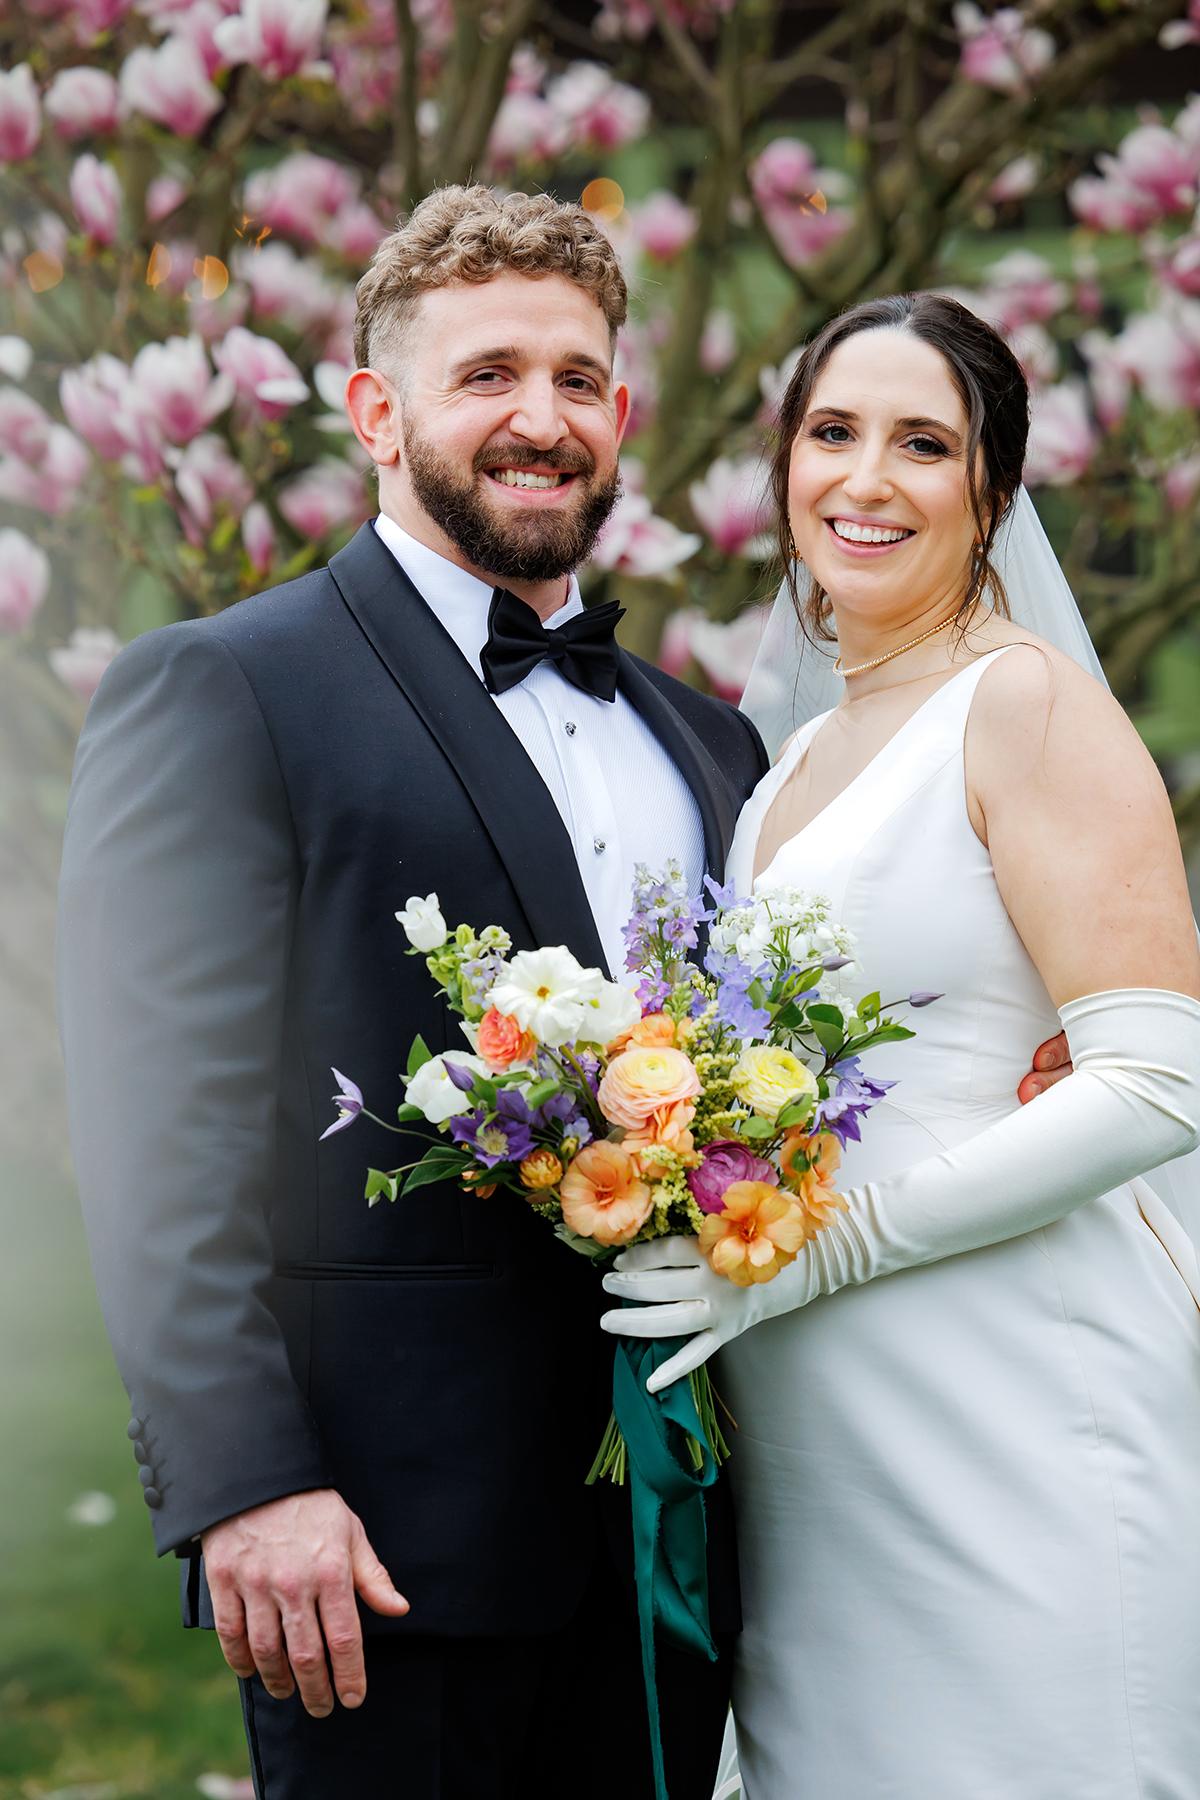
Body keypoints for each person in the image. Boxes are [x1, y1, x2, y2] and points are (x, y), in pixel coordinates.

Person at [56, 198, 1068, 1800]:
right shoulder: (230, 688)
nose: (543, 420)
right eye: (490, 376)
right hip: (380, 1550)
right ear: (378, 412)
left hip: (681, 1528)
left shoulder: (711, 742)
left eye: (581, 381)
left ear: (619, 420)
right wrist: (245, 1487)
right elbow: (142, 1126)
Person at [602, 292, 1200, 1800]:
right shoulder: (797, 748)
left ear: (992, 489)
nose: (866, 479)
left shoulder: (1027, 705)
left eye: (922, 443)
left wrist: (827, 1247)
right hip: (823, 1453)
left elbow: (1158, 1074)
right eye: (833, 433)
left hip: (1008, 1403)